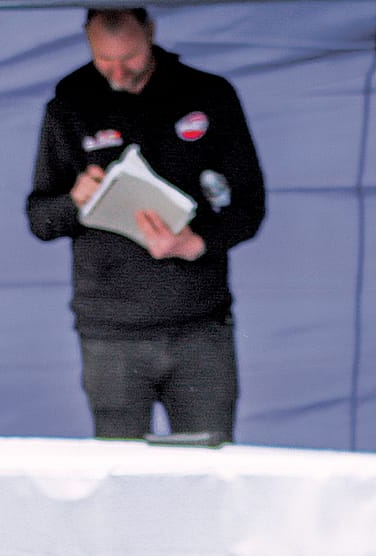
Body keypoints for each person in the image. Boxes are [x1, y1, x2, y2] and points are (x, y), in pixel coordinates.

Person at [27, 7, 265, 441]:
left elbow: (251, 206)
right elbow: (40, 219)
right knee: (120, 469)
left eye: (130, 58)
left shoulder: (207, 94)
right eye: (105, 60)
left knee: (207, 463)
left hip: (200, 325)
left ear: (151, 33)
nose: (118, 72)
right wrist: (74, 200)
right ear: (87, 42)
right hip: (110, 331)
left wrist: (197, 243)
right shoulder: (71, 102)